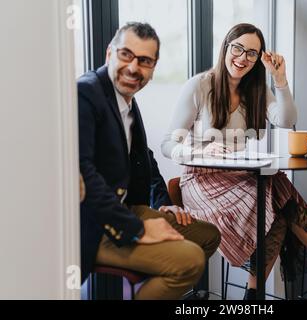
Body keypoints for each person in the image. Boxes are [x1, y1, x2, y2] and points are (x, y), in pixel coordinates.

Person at [162, 23, 307, 300]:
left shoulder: (257, 91)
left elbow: (286, 120)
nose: (242, 58)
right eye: (237, 48)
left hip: (240, 177)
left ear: (259, 58)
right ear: (226, 47)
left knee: (276, 188)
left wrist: (281, 80)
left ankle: (256, 293)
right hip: (202, 181)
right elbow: (168, 143)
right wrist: (199, 153)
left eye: (252, 53)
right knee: (276, 196)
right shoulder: (200, 85)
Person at [78, 22, 221, 300]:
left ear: (153, 68)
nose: (133, 68)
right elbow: (82, 173)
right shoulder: (86, 94)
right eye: (126, 55)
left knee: (207, 235)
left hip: (132, 207)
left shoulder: (126, 99)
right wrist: (139, 229)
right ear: (109, 54)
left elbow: (144, 160)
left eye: (144, 61)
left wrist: (162, 203)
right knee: (190, 259)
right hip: (94, 223)